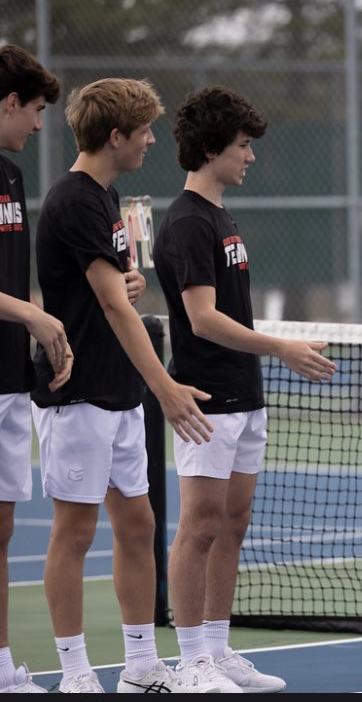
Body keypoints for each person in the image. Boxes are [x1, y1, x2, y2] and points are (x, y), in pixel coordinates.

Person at [31, 77, 225, 694]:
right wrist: (165, 386)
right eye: (143, 132)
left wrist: (125, 285)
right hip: (78, 392)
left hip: (116, 390)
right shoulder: (75, 200)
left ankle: (141, 665)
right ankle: (75, 671)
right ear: (114, 136)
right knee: (76, 530)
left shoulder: (106, 199)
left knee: (138, 524)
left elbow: (111, 291)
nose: (149, 142)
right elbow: (113, 309)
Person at [153, 85, 337, 693]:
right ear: (211, 150)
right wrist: (281, 347)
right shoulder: (184, 222)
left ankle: (218, 648)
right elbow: (202, 318)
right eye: (242, 145)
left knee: (233, 522)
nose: (251, 156)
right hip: (204, 399)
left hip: (245, 394)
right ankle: (191, 661)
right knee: (199, 525)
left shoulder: (222, 216)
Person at [0, 45, 72, 695]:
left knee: (1, 525)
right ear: (9, 103)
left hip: (6, 380)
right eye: (37, 111)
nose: (41, 125)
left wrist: (37, 322)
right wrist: (35, 316)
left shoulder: (13, 177)